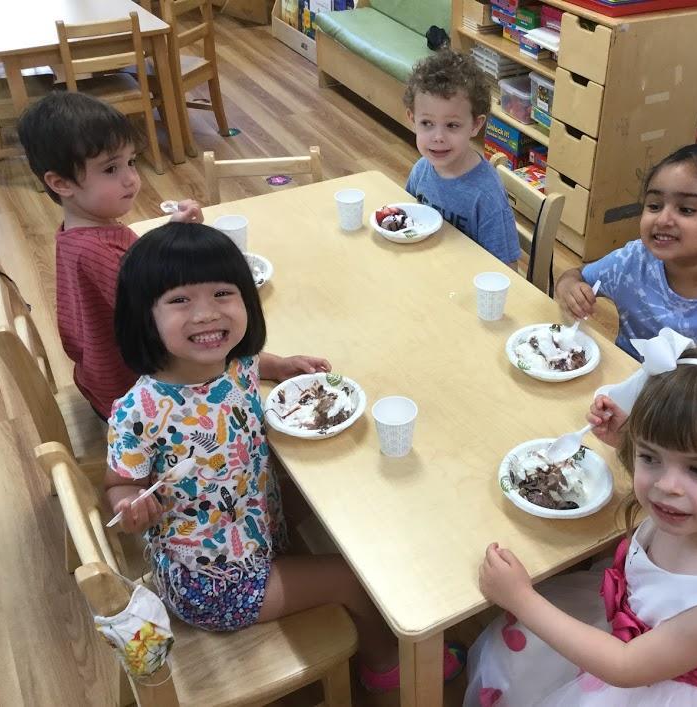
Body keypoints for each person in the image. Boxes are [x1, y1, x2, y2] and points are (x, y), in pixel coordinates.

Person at [104, 223, 464, 690]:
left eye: (222, 294)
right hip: (212, 583)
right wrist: (128, 504)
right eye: (180, 300)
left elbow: (254, 361)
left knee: (335, 495)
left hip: (256, 524)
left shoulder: (230, 361)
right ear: (142, 315)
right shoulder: (140, 411)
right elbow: (118, 481)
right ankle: (384, 668)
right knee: (355, 579)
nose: (206, 315)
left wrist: (282, 365)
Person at [465, 347, 697, 706]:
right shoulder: (693, 513)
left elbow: (624, 666)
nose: (666, 485)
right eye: (650, 456)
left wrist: (521, 599)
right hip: (631, 637)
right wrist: (626, 441)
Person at [17, 92, 203, 419]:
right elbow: (166, 325)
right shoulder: (97, 252)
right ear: (61, 183)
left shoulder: (80, 231)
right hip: (137, 399)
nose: (130, 178)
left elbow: (136, 263)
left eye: (130, 162)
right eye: (110, 169)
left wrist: (172, 229)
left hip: (101, 380)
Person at [555, 144, 697, 362]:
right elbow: (577, 276)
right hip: (617, 393)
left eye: (686, 210)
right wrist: (570, 289)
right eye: (654, 206)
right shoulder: (634, 260)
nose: (663, 219)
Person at [403, 49, 520, 268]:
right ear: (412, 119)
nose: (438, 137)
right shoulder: (421, 170)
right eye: (427, 123)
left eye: (452, 125)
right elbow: (407, 221)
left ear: (476, 125)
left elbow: (508, 271)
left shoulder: (487, 196)